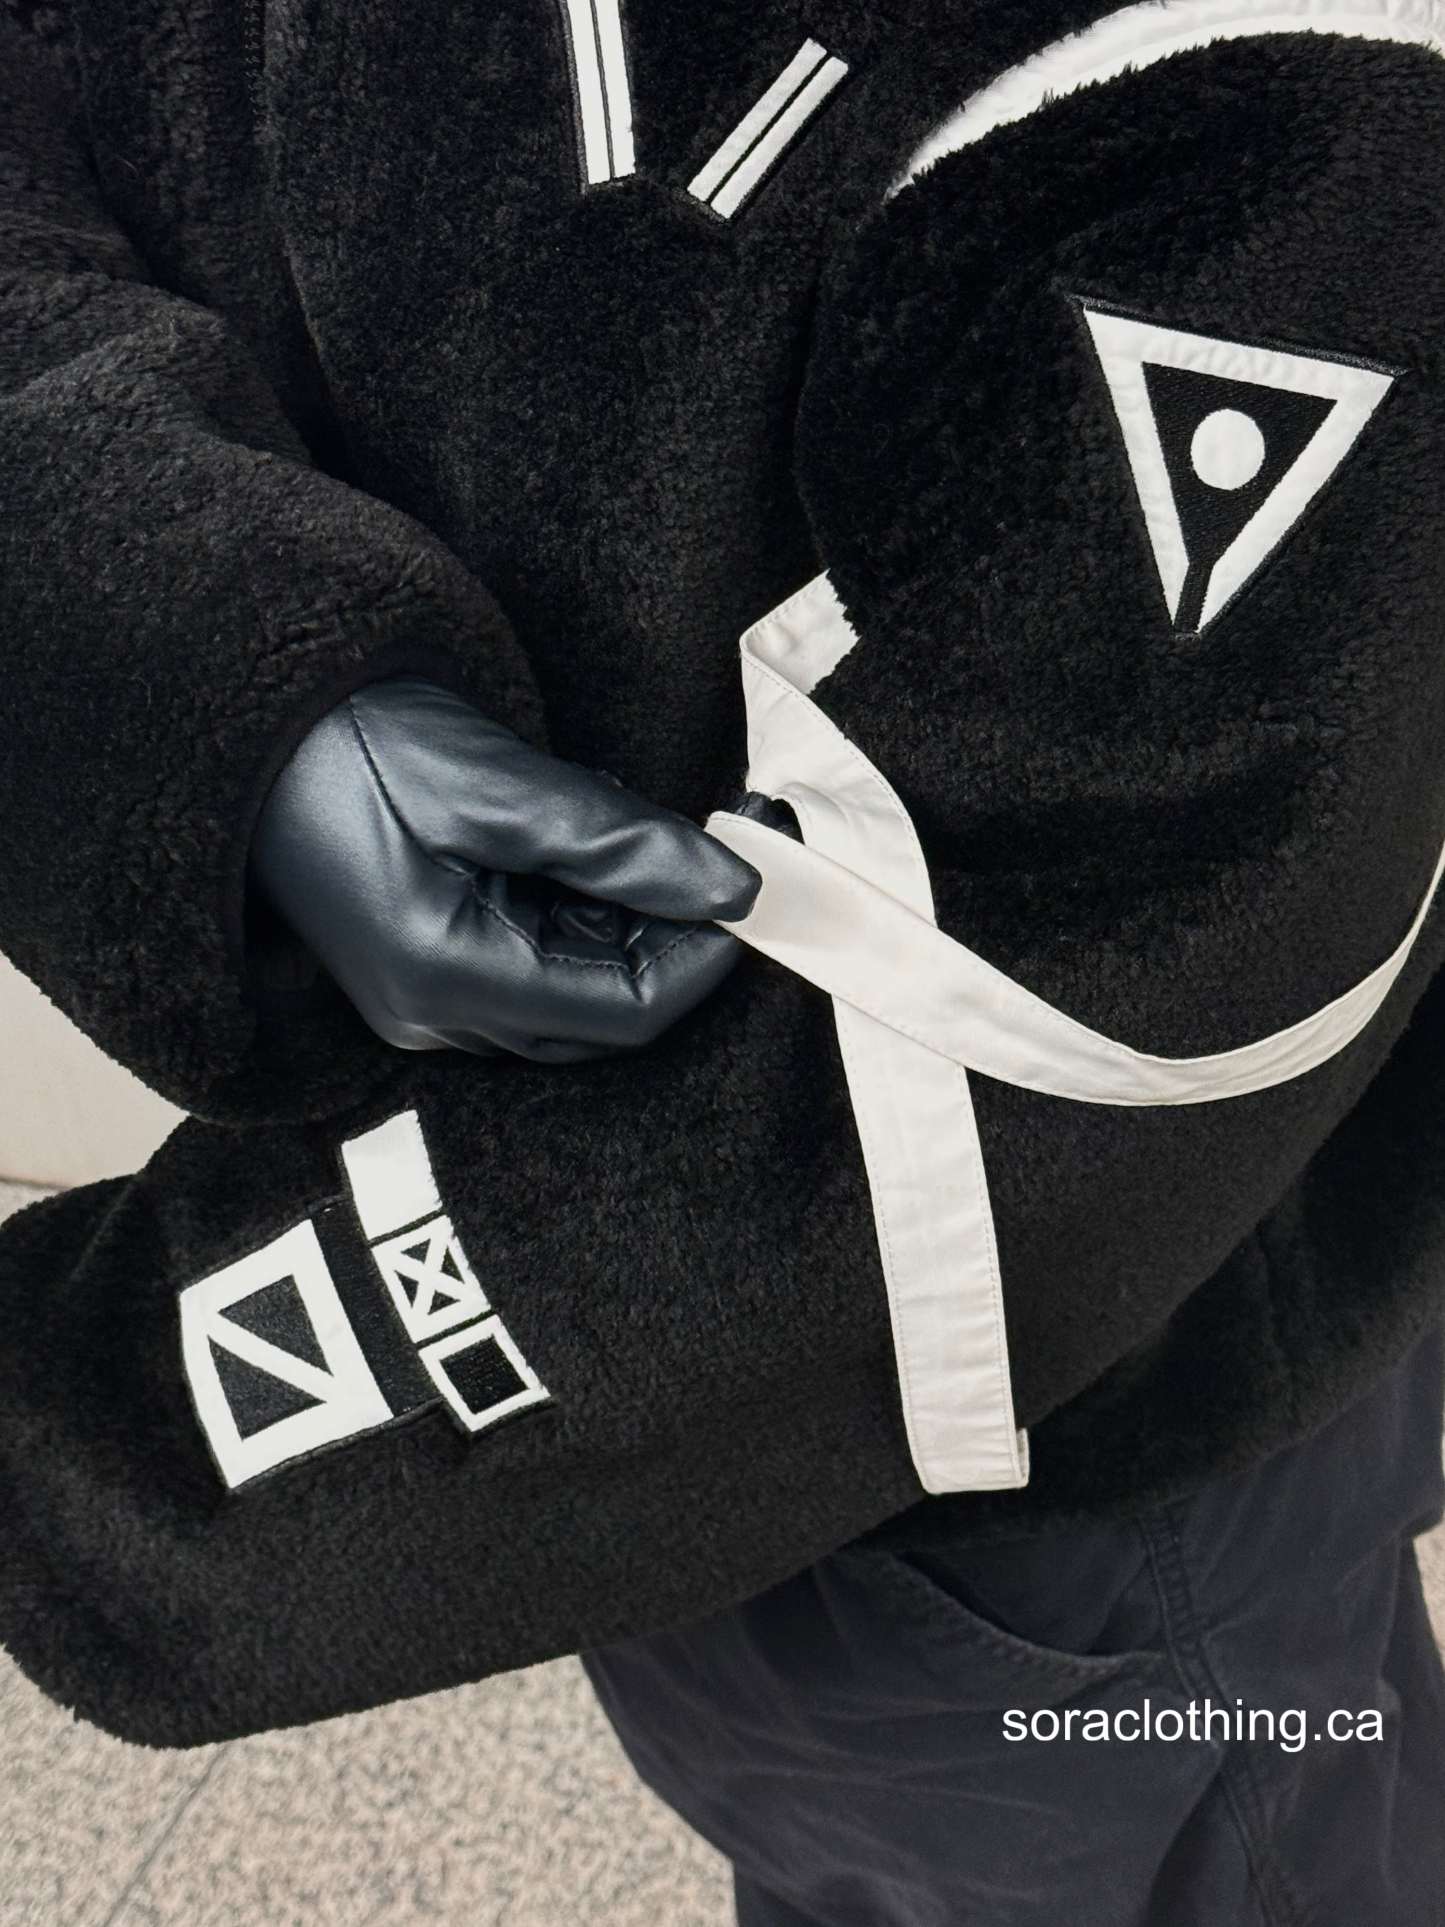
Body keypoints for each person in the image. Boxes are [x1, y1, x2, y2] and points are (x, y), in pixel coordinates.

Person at [2, 0, 1445, 1918]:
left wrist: (86, 1447)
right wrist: (207, 651)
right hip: (643, 1360)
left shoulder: (1284, 132)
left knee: (1206, 1833)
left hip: (1048, 1470)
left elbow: (1029, 1042)